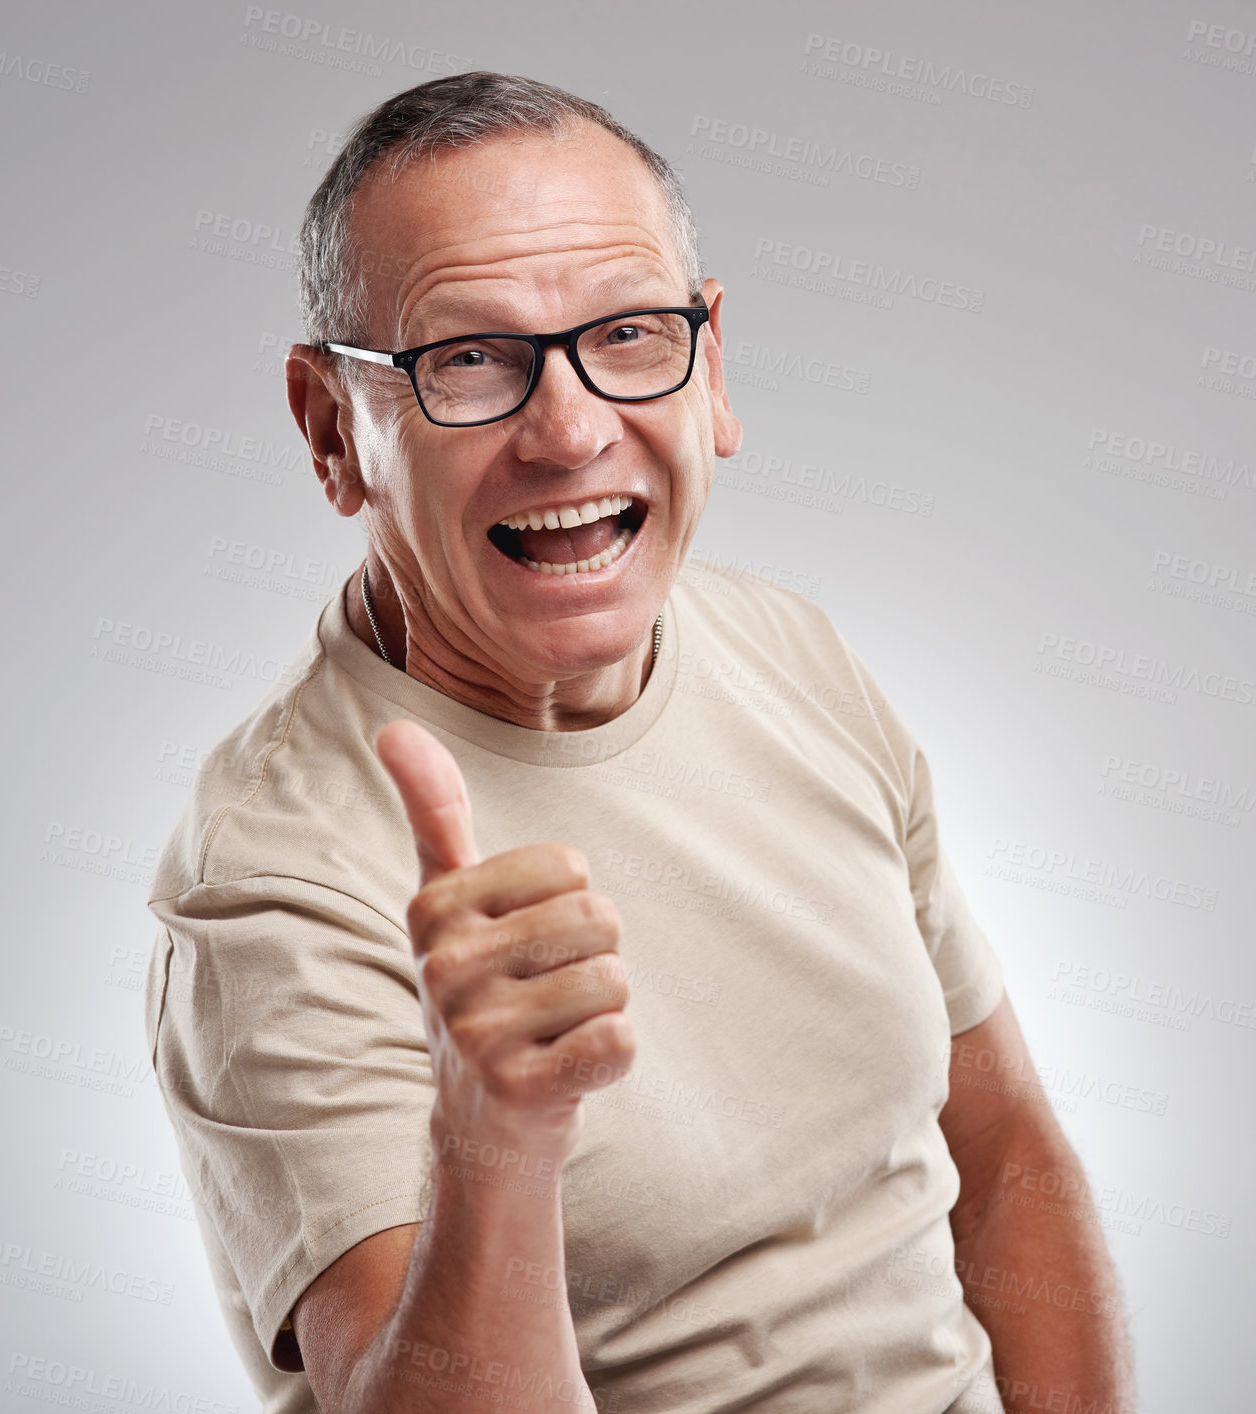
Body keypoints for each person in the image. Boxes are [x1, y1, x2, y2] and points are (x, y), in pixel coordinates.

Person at [144, 72, 1135, 1414]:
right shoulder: (271, 877)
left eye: (623, 333)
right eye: (470, 360)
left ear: (709, 366)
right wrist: (497, 1140)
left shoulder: (792, 653)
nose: (567, 429)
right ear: (334, 432)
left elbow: (1006, 1153)